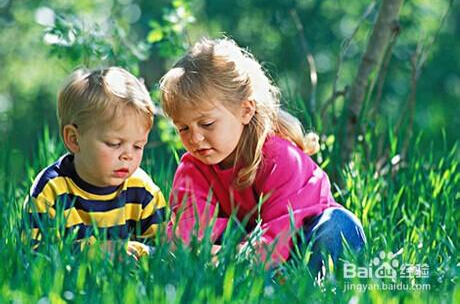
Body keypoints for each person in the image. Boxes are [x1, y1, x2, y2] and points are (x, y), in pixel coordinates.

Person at [160, 37, 366, 272]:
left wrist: (236, 259)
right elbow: (187, 232)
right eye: (183, 128)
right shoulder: (192, 168)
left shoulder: (280, 158)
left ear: (245, 110)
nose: (194, 138)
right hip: (245, 251)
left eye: (206, 124)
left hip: (295, 243)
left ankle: (298, 287)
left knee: (340, 225)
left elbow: (283, 230)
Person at [26, 67, 167, 259]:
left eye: (138, 146)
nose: (128, 156)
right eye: (114, 144)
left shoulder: (142, 190)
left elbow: (166, 254)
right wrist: (92, 253)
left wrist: (141, 253)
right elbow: (34, 255)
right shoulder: (51, 191)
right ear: (74, 139)